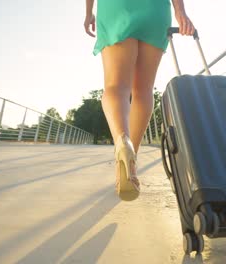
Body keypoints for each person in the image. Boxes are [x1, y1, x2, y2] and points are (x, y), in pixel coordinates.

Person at [84, 0, 195, 201]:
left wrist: (88, 12)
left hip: (116, 8)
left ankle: (122, 141)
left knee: (115, 86)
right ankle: (131, 162)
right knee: (143, 90)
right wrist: (181, 12)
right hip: (155, 11)